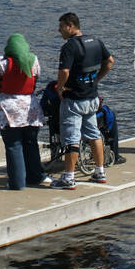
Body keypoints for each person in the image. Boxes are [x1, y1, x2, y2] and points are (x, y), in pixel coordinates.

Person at [0, 34, 48, 190]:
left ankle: (17, 182)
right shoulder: (34, 60)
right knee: (31, 143)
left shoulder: (3, 63)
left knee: (13, 145)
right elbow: (37, 76)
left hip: (9, 109)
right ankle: (35, 176)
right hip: (31, 108)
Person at [52, 12, 114, 188]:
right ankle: (100, 172)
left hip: (74, 101)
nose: (59, 30)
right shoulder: (95, 41)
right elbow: (109, 61)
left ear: (70, 26)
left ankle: (68, 178)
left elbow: (64, 72)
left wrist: (60, 88)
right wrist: (96, 79)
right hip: (92, 97)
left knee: (71, 138)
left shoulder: (69, 47)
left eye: (61, 26)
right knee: (94, 133)